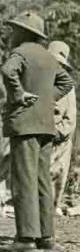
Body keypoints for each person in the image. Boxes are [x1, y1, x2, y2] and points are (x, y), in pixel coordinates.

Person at [0, 11, 74, 252]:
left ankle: (26, 238)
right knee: (42, 180)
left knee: (23, 179)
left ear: (23, 32)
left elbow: (7, 71)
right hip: (46, 127)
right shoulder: (49, 57)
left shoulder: (20, 52)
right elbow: (67, 83)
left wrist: (19, 95)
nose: (11, 33)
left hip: (25, 125)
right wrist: (46, 100)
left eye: (15, 28)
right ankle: (46, 236)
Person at [48, 41, 77, 214]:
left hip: (59, 140)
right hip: (42, 135)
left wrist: (57, 132)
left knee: (56, 174)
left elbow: (70, 119)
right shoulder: (42, 81)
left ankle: (52, 209)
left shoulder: (68, 88)